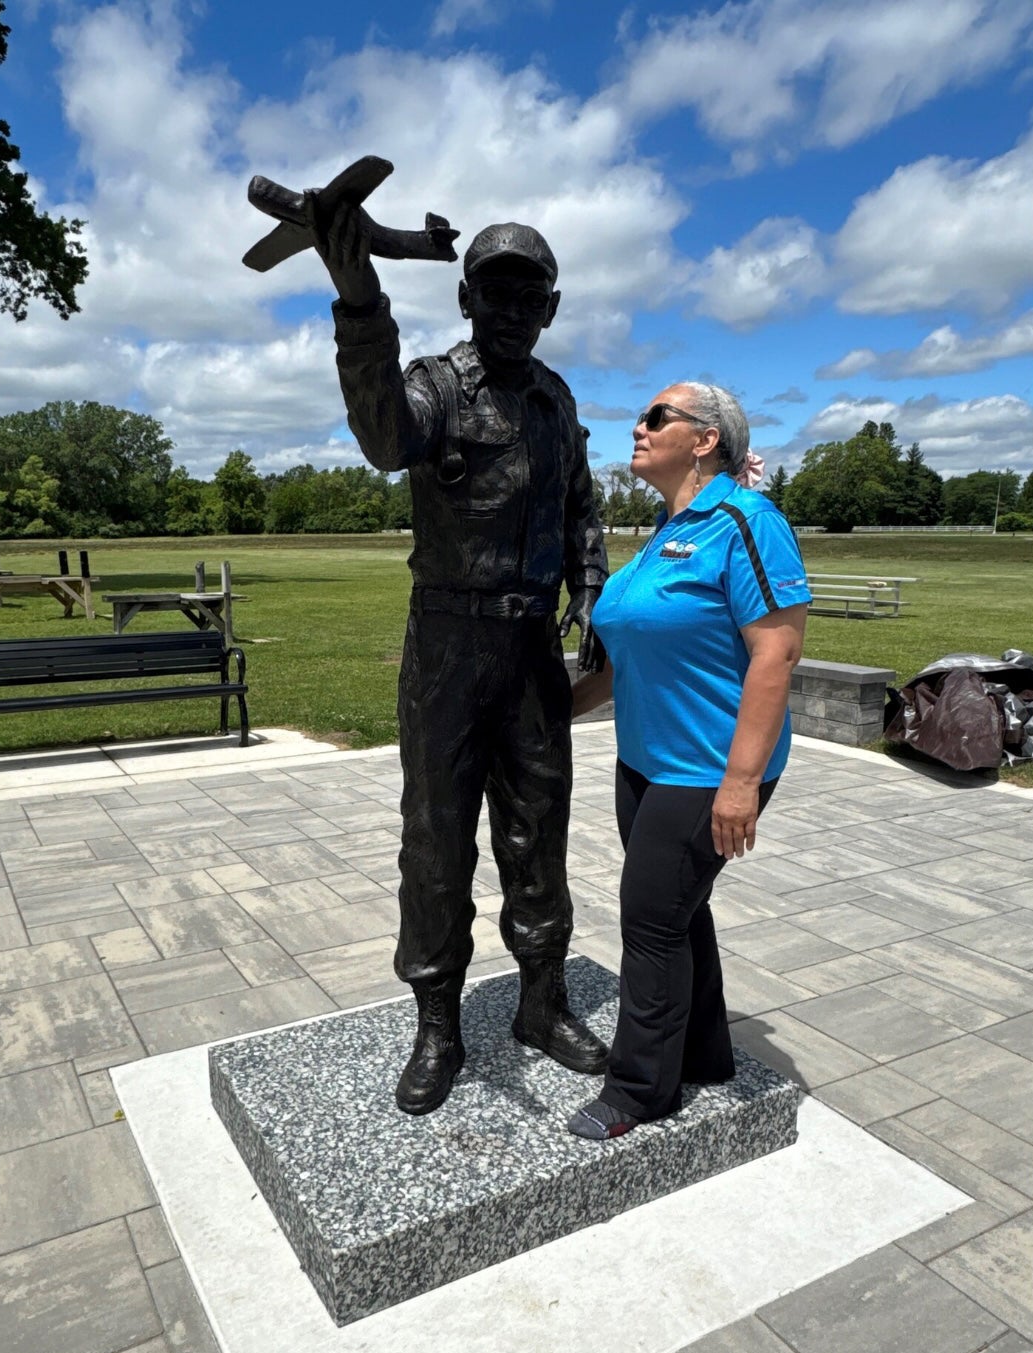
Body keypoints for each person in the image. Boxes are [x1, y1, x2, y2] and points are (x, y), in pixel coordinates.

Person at [313, 206, 610, 1115]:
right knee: (436, 842)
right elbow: (381, 438)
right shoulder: (436, 386)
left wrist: (590, 589)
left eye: (530, 293)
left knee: (539, 832)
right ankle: (437, 1023)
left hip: (529, 653)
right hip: (445, 646)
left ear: (551, 307)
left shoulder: (557, 402)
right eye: (495, 290)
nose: (513, 307)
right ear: (466, 296)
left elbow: (579, 511)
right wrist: (360, 300)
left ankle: (540, 1003)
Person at [566, 383, 810, 1140]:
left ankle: (639, 1091)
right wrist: (550, 711)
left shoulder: (746, 522)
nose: (635, 427)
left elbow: (777, 651)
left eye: (654, 417)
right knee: (677, 913)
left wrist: (740, 782)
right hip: (644, 761)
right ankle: (704, 1053)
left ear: (704, 439)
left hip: (707, 769)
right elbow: (625, 659)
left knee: (649, 925)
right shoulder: (664, 531)